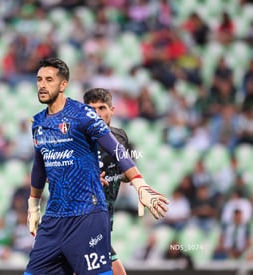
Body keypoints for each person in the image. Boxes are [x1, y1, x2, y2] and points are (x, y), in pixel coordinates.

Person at [25, 58, 169, 275]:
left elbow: (117, 151)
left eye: (49, 80)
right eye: (39, 80)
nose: (42, 85)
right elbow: (39, 165)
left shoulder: (83, 114)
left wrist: (140, 184)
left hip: (86, 215)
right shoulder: (38, 123)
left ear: (63, 85)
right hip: (53, 219)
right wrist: (33, 205)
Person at [83, 88, 170, 275]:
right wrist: (85, 179)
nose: (96, 114)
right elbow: (53, 175)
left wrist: (139, 186)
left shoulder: (120, 138)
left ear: (112, 110)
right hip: (80, 222)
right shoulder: (76, 141)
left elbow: (126, 170)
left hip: (102, 222)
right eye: (91, 109)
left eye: (101, 108)